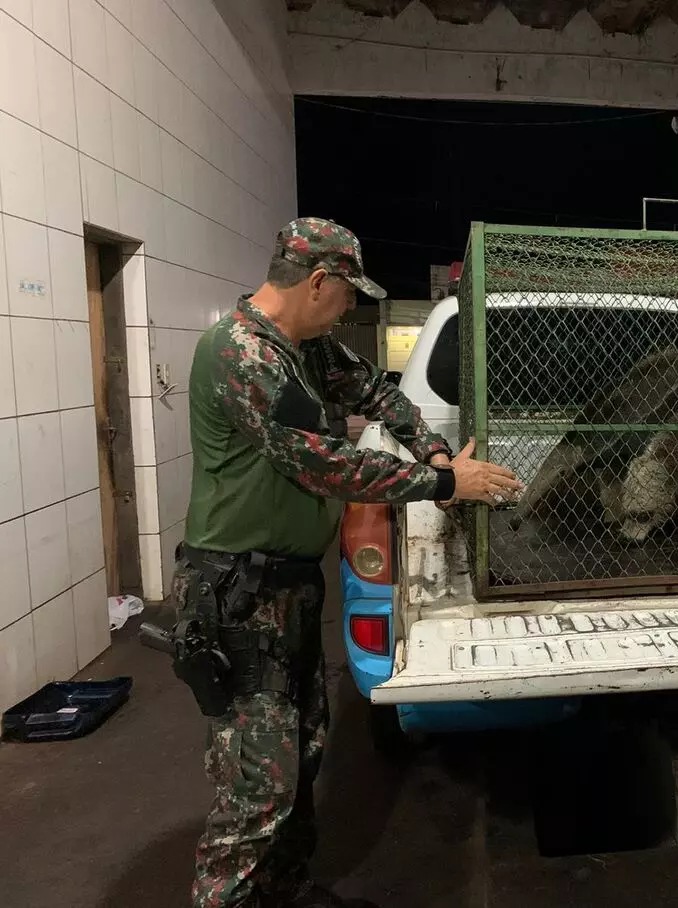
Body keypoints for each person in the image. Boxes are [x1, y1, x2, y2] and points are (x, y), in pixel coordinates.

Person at [171, 217, 522, 908]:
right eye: (345, 294)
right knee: (256, 789)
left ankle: (288, 890)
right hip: (237, 592)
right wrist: (450, 485)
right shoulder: (243, 354)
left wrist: (435, 451)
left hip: (290, 586)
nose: (349, 307)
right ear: (318, 280)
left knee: (302, 753)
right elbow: (324, 464)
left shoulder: (305, 347)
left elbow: (378, 394)